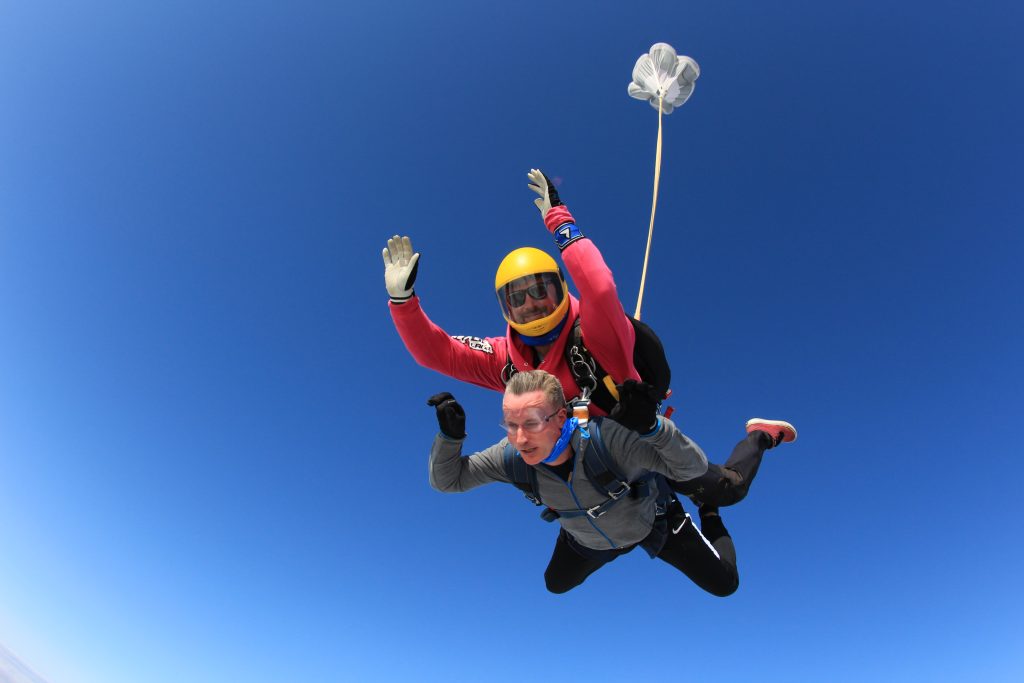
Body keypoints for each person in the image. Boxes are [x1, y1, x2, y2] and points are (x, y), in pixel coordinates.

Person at [383, 168, 796, 509]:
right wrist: (403, 302)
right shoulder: (506, 359)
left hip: (637, 443)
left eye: (540, 289)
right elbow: (436, 353)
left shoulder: (594, 334)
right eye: (516, 297)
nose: (531, 303)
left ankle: (761, 434)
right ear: (504, 308)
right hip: (590, 466)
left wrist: (559, 220)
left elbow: (599, 287)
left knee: (726, 490)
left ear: (561, 289)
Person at [427, 370, 747, 595]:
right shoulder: (510, 456)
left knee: (725, 584)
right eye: (510, 425)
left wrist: (653, 427)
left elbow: (692, 468)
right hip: (587, 539)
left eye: (532, 424)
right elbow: (448, 481)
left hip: (654, 523)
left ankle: (711, 508)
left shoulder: (608, 439)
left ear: (561, 417)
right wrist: (450, 438)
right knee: (556, 584)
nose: (520, 439)